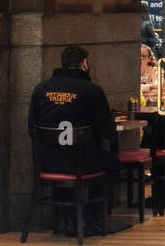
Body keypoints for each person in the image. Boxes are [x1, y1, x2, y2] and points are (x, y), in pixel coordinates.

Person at [27, 45, 120, 231]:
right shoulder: (92, 90)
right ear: (84, 64)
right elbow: (108, 132)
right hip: (83, 162)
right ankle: (93, 219)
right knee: (112, 162)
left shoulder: (40, 89)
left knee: (64, 157)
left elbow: (31, 127)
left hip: (47, 162)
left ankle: (66, 220)